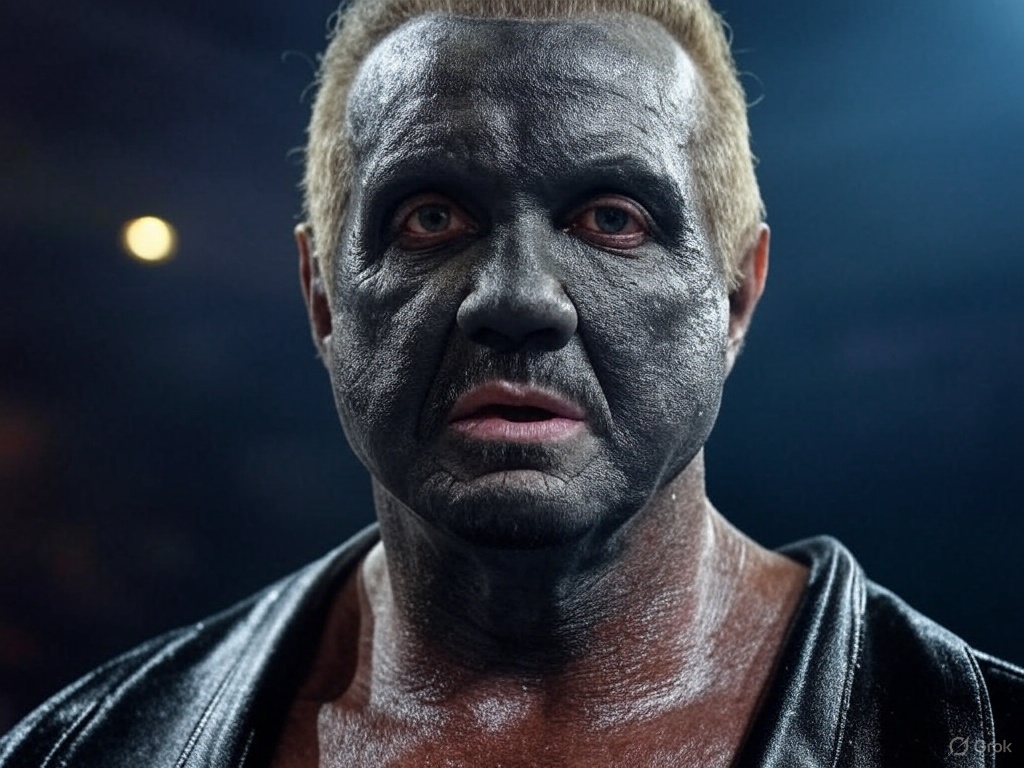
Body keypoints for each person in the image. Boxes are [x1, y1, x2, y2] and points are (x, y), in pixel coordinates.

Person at [2, 0, 1021, 765]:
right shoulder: (83, 751)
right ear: (322, 298)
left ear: (736, 296)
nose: (518, 298)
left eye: (611, 218)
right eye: (432, 218)